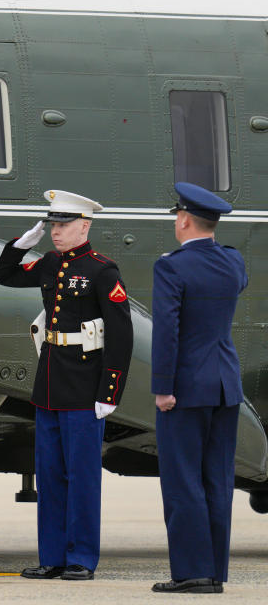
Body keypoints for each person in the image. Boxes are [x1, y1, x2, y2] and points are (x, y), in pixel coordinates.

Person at [0, 190, 133, 581]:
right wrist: (22, 245)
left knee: (82, 477)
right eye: (53, 224)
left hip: (86, 387)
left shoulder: (102, 271)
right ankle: (52, 557)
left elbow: (120, 335)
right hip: (51, 383)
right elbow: (3, 275)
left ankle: (81, 558)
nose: (56, 231)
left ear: (84, 226)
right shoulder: (50, 263)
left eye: (64, 224)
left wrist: (109, 392)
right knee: (50, 474)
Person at [150, 183, 247, 595]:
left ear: (185, 220)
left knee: (183, 480)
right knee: (217, 480)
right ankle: (213, 573)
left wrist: (163, 387)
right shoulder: (233, 262)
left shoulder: (171, 267)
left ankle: (192, 572)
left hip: (187, 388)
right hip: (226, 385)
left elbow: (168, 332)